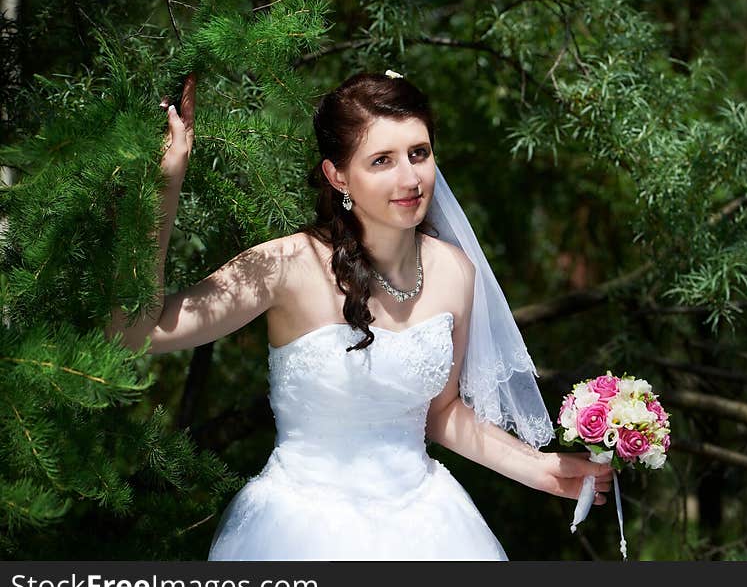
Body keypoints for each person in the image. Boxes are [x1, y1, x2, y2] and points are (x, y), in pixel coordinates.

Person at [106, 71, 614, 560]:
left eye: (419, 153)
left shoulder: (455, 272)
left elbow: (440, 414)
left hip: (429, 532)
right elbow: (136, 332)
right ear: (338, 175)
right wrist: (164, 182)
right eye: (382, 161)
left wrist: (541, 469)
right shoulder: (286, 266)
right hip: (298, 533)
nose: (410, 177)